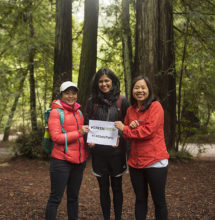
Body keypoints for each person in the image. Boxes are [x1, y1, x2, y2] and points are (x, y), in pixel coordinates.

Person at [114, 75, 169, 220]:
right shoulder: (131, 110)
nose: (140, 90)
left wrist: (126, 129)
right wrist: (128, 129)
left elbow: (148, 132)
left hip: (155, 161)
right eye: (136, 87)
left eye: (143, 87)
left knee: (159, 201)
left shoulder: (156, 107)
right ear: (132, 90)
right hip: (135, 163)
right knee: (140, 200)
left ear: (149, 90)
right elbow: (127, 135)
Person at [84, 68, 129, 220]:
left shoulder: (122, 101)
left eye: (107, 81)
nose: (104, 84)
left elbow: (128, 126)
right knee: (103, 189)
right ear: (97, 84)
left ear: (113, 82)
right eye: (101, 81)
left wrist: (121, 137)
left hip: (117, 154)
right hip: (99, 154)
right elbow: (86, 124)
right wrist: (88, 139)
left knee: (117, 188)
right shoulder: (92, 102)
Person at [45, 81, 89, 220]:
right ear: (61, 95)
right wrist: (79, 133)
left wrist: (90, 143)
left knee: (73, 198)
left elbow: (82, 136)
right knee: (55, 198)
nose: (71, 96)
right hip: (61, 161)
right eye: (67, 93)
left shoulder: (79, 112)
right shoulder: (55, 112)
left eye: (73, 93)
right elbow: (56, 137)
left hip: (79, 161)